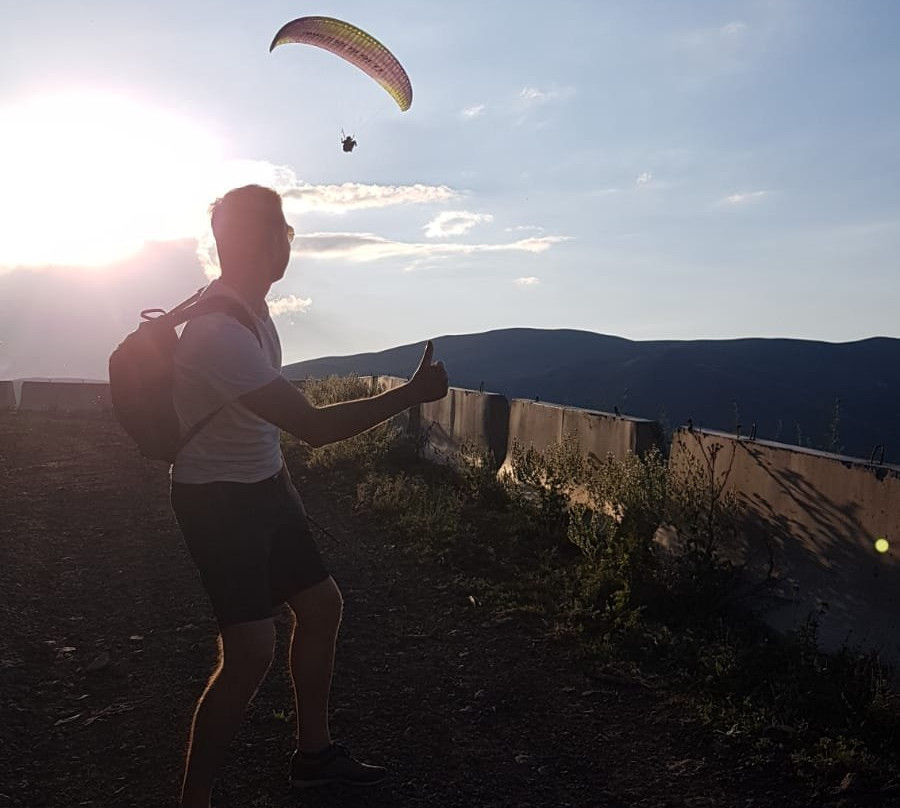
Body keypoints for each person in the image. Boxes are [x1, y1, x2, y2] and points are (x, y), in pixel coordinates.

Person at [169, 184, 448, 808]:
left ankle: (314, 757)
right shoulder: (220, 331)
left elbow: (261, 424)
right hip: (217, 501)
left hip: (262, 489)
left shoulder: (249, 310)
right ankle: (196, 800)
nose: (287, 240)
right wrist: (410, 394)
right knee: (249, 652)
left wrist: (283, 491)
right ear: (261, 241)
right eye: (281, 228)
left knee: (320, 607)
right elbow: (315, 428)